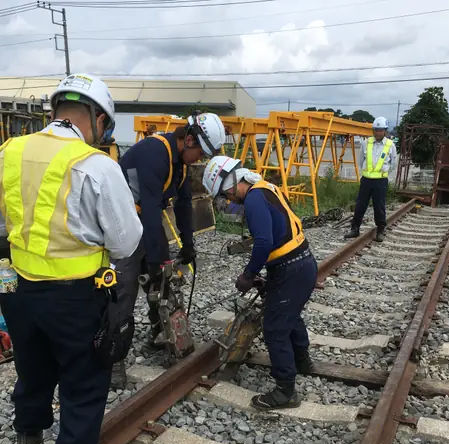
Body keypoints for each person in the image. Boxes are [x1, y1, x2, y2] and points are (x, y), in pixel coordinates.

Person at [0, 73, 142, 444]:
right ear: (97, 118)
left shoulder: (9, 153)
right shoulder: (96, 165)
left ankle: (29, 441)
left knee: (33, 368)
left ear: (54, 111)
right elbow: (126, 242)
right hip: (75, 298)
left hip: (17, 290)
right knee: (84, 384)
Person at [110, 112, 226, 389]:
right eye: (199, 152)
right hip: (122, 222)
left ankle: (158, 334)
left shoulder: (180, 165)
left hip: (143, 218)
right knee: (124, 288)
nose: (199, 159)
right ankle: (114, 360)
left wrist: (188, 245)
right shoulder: (154, 152)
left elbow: (184, 205)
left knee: (159, 282)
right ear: (188, 140)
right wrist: (158, 259)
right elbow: (150, 209)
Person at [203, 156, 317, 410]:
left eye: (226, 195)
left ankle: (285, 391)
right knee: (290, 315)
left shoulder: (254, 198)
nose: (229, 200)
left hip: (291, 269)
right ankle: (302, 362)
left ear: (232, 182)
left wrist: (247, 274)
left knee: (275, 328)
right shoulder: (266, 187)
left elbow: (264, 242)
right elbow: (278, 232)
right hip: (300, 263)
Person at [345, 116, 397, 242]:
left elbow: (393, 164)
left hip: (380, 181)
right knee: (360, 205)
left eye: (380, 130)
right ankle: (355, 229)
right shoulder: (365, 143)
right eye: (376, 130)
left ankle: (380, 230)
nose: (378, 132)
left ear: (385, 131)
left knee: (379, 206)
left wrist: (382, 174)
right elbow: (361, 161)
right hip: (366, 180)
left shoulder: (390, 145)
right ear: (373, 131)